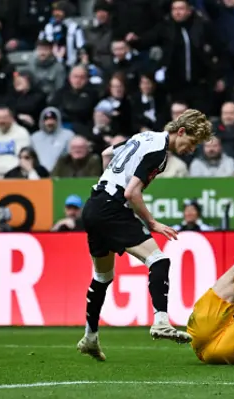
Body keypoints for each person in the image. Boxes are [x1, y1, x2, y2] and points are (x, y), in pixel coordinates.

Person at [77, 109, 214, 361]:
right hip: (112, 208)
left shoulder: (144, 137)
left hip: (94, 205)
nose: (191, 149)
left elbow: (106, 153)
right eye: (191, 143)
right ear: (180, 131)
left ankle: (90, 337)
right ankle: (161, 320)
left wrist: (109, 182)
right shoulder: (159, 154)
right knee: (159, 260)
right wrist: (152, 222)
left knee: (102, 277)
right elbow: (131, 193)